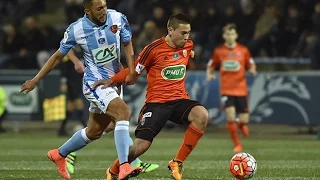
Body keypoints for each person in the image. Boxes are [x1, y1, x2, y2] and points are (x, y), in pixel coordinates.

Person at [20, 0, 142, 179]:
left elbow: (128, 43)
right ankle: (124, 166)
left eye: (105, 6)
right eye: (99, 8)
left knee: (94, 131)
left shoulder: (117, 18)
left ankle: (59, 154)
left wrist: (131, 71)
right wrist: (36, 80)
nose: (104, 11)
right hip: (95, 84)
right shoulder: (76, 29)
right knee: (123, 112)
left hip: (114, 82)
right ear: (88, 11)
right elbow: (57, 57)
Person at [94, 13, 209, 180]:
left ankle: (177, 162)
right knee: (141, 146)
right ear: (170, 30)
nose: (187, 37)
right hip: (157, 104)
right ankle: (113, 170)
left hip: (179, 100)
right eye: (183, 33)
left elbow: (188, 51)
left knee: (202, 115)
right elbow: (134, 71)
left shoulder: (187, 45)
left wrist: (190, 54)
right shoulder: (153, 49)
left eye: (188, 32)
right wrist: (111, 80)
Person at [62, 50, 159, 174]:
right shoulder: (85, 33)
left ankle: (133, 162)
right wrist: (75, 62)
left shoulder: (116, 32)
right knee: (115, 120)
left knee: (114, 123)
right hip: (99, 79)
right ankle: (129, 163)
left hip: (114, 77)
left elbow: (124, 44)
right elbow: (66, 45)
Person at [206, 24, 257, 153]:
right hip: (227, 90)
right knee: (230, 116)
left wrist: (252, 70)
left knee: (245, 119)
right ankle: (237, 144)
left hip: (241, 89)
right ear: (224, 36)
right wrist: (210, 75)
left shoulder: (243, 50)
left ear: (236, 36)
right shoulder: (219, 51)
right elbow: (211, 65)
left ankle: (240, 123)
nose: (230, 36)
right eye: (227, 34)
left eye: (232, 34)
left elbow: (251, 64)